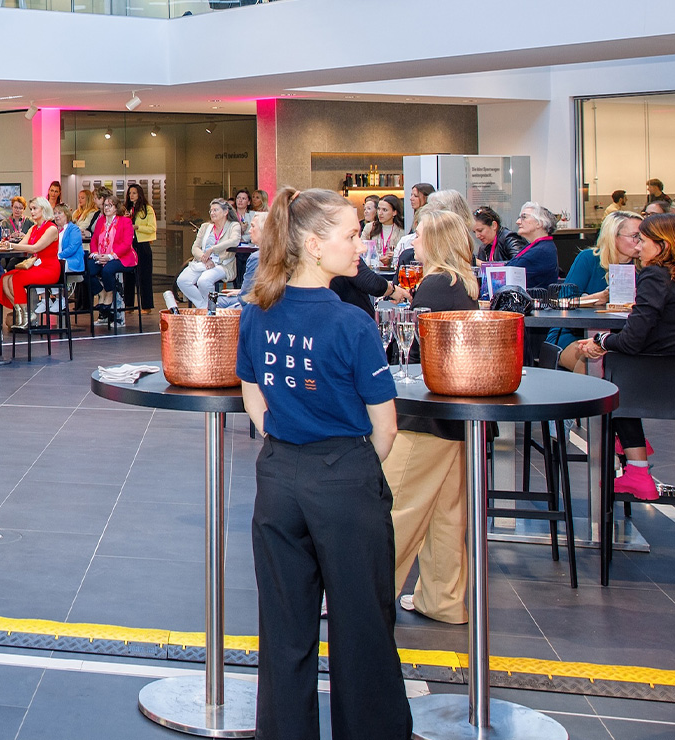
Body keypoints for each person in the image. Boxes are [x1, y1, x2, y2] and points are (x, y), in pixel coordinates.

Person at [238, 186, 409, 740]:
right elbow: (385, 426)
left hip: (278, 478)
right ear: (314, 244)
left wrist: (289, 440)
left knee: (284, 628)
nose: (360, 246)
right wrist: (346, 465)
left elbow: (253, 396)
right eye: (352, 234)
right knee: (363, 626)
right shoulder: (351, 324)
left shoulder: (258, 311)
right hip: (344, 480)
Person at [386, 210, 481, 625]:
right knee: (446, 512)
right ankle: (442, 600)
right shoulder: (461, 282)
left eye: (420, 233)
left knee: (394, 505)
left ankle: (361, 595)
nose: (413, 239)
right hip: (452, 415)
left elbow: (415, 350)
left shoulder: (437, 284)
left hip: (426, 414)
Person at [563, 214, 675, 500]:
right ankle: (636, 464)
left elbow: (633, 340)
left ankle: (636, 468)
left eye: (643, 241)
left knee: (612, 372)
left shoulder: (655, 274)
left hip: (652, 381)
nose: (638, 248)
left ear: (663, 245)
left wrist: (601, 340)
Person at [549, 210, 642, 347]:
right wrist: (600, 298)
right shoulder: (589, 259)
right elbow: (562, 302)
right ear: (613, 236)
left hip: (623, 336)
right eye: (635, 236)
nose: (640, 242)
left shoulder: (644, 266)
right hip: (574, 333)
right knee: (593, 358)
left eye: (643, 236)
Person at [0, 198, 64, 331]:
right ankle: (24, 312)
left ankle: (27, 314)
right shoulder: (33, 228)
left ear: (43, 210)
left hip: (49, 268)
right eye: (31, 209)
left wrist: (11, 245)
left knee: (17, 278)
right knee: (5, 279)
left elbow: (34, 248)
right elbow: (21, 246)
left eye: (34, 209)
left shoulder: (51, 228)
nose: (31, 212)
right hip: (36, 266)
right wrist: (4, 246)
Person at [177, 198, 242, 309]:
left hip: (222, 264)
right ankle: (205, 307)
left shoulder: (234, 226)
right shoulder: (205, 227)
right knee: (182, 281)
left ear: (225, 212)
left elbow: (234, 241)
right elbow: (195, 247)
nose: (212, 213)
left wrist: (213, 249)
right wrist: (205, 259)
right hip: (203, 262)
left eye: (215, 210)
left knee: (204, 280)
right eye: (211, 211)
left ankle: (210, 309)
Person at [83, 192, 136, 327]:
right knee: (87, 268)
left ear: (116, 208)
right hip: (102, 256)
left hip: (121, 258)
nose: (106, 208)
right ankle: (102, 293)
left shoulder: (125, 221)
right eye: (105, 205)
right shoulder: (101, 221)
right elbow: (94, 239)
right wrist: (95, 254)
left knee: (108, 270)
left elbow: (126, 244)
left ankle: (109, 295)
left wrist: (110, 256)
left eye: (110, 206)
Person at [509, 201, 562, 290]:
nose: (518, 222)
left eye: (524, 217)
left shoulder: (542, 251)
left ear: (539, 223)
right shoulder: (538, 246)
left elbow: (509, 273)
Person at [127, 182, 158, 312]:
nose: (131, 196)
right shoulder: (127, 209)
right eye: (130, 193)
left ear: (139, 194)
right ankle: (128, 304)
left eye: (134, 193)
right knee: (128, 275)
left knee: (144, 275)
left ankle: (146, 305)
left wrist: (138, 227)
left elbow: (152, 228)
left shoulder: (147, 209)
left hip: (142, 244)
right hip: (129, 244)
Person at [361, 194, 405, 267]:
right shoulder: (370, 227)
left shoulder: (402, 231)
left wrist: (394, 256)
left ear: (394, 212)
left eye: (385, 210)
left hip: (393, 270)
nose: (380, 213)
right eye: (378, 209)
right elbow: (361, 249)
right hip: (373, 269)